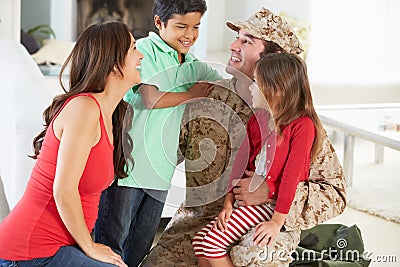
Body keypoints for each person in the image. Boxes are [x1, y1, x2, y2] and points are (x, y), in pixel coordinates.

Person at [141, 7, 346, 267]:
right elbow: (162, 151)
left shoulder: (297, 121)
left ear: (275, 59)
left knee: (254, 258)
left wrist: (270, 191)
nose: (234, 45)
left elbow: (335, 193)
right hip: (200, 220)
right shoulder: (205, 96)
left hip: (263, 225)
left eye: (247, 41)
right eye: (238, 37)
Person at [0, 21, 143, 267]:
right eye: (133, 48)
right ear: (113, 63)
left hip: (60, 245)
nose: (140, 55)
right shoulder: (84, 109)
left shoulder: (111, 114)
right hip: (28, 250)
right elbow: (63, 191)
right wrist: (90, 247)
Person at [94, 0, 222, 266]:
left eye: (196, 26)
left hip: (160, 171)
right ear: (159, 23)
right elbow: (150, 98)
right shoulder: (143, 51)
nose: (189, 34)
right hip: (128, 167)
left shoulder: (190, 62)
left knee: (140, 245)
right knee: (111, 242)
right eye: (181, 26)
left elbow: (222, 84)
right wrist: (192, 95)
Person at [192, 52, 324, 266]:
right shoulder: (257, 119)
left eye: (256, 83)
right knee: (200, 242)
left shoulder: (302, 126)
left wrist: (276, 222)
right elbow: (239, 165)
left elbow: (291, 178)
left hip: (273, 206)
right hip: (246, 202)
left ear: (276, 90)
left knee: (212, 243)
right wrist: (228, 204)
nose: (251, 88)